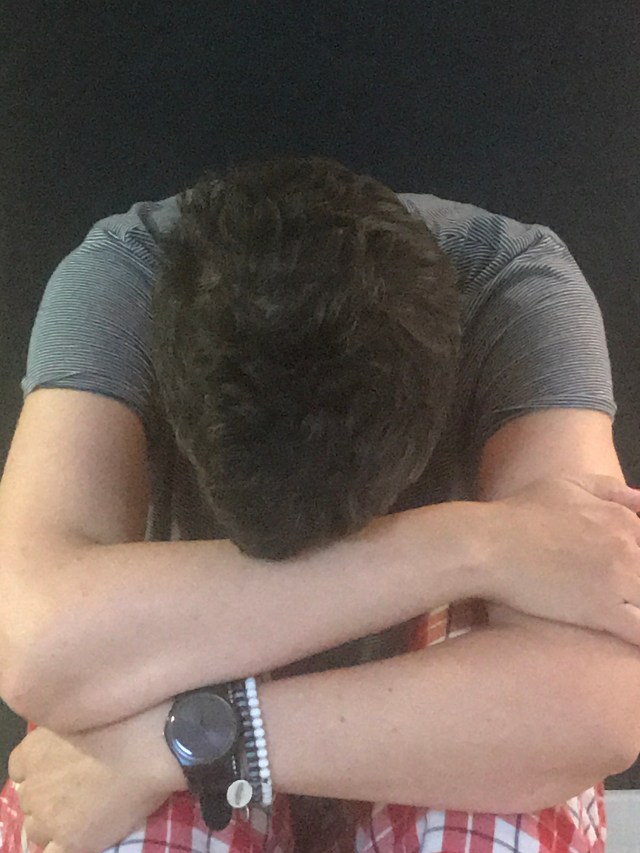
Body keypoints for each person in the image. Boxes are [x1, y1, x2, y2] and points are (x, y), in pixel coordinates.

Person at [0, 154, 639, 853]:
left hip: (423, 715)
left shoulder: (513, 287)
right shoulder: (122, 277)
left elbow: (601, 708)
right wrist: (478, 543)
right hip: (195, 665)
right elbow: (31, 645)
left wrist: (192, 742)